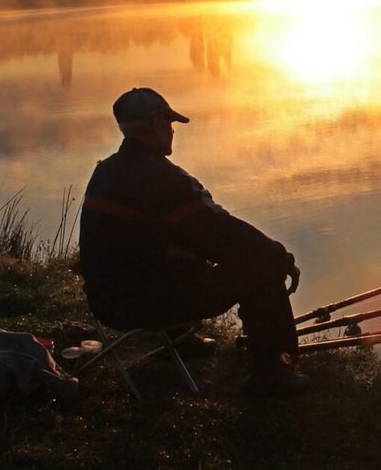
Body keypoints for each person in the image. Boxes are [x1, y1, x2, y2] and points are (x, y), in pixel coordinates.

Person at [79, 87, 309, 395]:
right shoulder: (166, 180)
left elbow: (193, 233)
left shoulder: (104, 171)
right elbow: (221, 233)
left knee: (172, 246)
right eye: (170, 124)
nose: (172, 132)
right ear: (158, 125)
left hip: (106, 302)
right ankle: (271, 373)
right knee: (261, 265)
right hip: (144, 305)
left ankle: (179, 339)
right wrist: (279, 256)